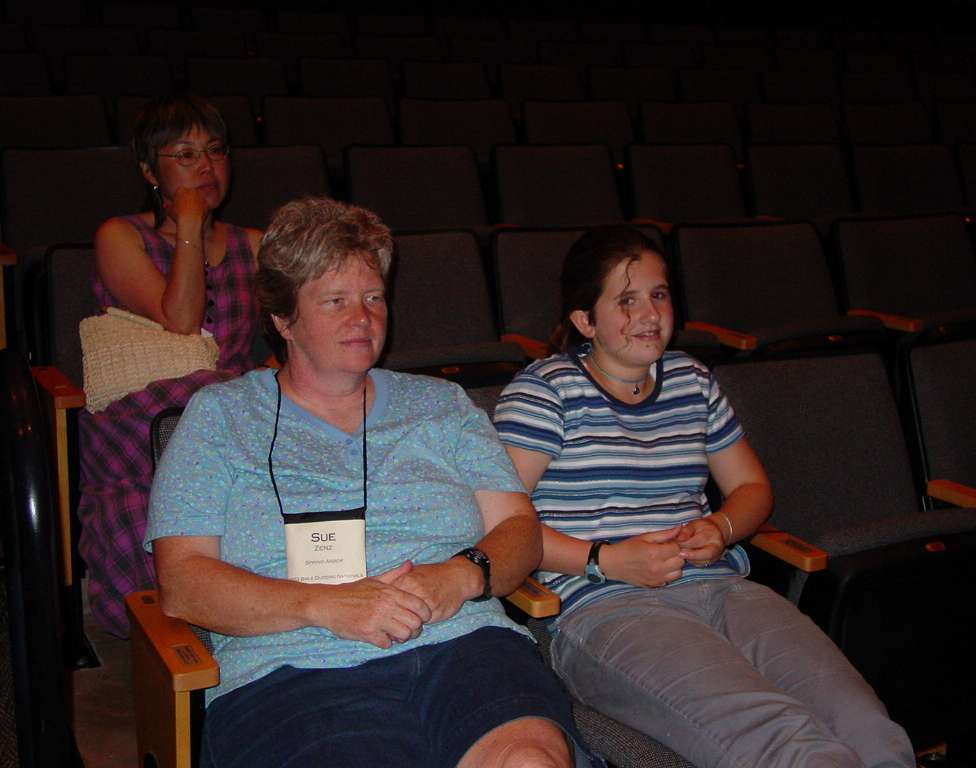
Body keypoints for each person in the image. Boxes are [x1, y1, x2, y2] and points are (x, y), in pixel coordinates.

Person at [146, 197, 596, 768]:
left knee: (531, 760)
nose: (362, 318)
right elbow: (183, 581)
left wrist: (461, 575)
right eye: (335, 300)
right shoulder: (220, 417)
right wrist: (325, 605)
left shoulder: (442, 405)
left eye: (373, 297)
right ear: (283, 319)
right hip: (294, 668)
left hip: (462, 644)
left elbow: (519, 528)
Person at [493, 226, 917, 767]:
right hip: (607, 606)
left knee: (869, 728)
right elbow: (501, 524)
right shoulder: (544, 391)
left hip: (721, 588)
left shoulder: (691, 379)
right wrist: (605, 560)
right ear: (585, 320)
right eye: (627, 300)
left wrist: (722, 528)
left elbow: (751, 488)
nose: (650, 314)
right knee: (787, 742)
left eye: (659, 294)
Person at [78, 93, 262, 637]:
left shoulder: (255, 245)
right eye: (185, 155)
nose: (206, 166)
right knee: (154, 534)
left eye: (215, 151)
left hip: (229, 416)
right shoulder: (119, 237)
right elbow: (181, 319)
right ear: (148, 170)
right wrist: (189, 225)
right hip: (143, 425)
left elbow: (292, 332)